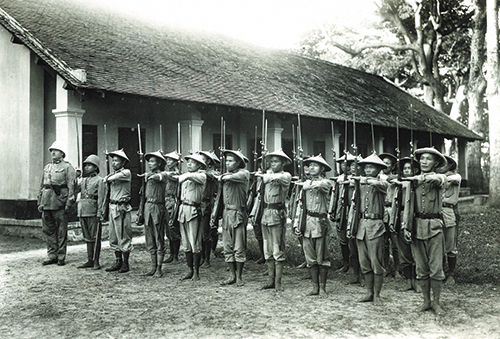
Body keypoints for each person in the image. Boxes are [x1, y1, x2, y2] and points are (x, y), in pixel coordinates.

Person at [402, 147, 447, 315]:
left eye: (428, 159)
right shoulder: (412, 181)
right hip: (416, 226)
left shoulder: (439, 177)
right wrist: (406, 225)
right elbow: (408, 204)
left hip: (434, 227)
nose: (424, 162)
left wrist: (421, 177)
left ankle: (436, 302)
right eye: (422, 159)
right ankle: (426, 301)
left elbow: (439, 180)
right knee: (421, 267)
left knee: (436, 267)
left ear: (435, 163)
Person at [353, 153, 389, 306]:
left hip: (375, 224)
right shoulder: (360, 184)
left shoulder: (382, 182)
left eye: (371, 167)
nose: (368, 169)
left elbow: (383, 186)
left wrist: (366, 180)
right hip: (361, 224)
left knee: (376, 261)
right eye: (366, 167)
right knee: (364, 261)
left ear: (379, 169)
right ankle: (369, 292)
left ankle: (378, 294)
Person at [255, 150, 292, 291]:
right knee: (267, 250)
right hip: (265, 213)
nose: (273, 164)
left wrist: (264, 175)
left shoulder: (285, 175)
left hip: (277, 214)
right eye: (271, 161)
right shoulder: (268, 174)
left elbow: (271, 178)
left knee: (278, 249)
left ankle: (278, 282)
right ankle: (270, 280)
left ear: (282, 163)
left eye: (276, 161)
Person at [297, 155, 332, 295]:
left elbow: (323, 186)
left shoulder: (325, 182)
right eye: (309, 165)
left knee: (322, 256)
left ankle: (323, 287)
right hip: (307, 222)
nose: (311, 168)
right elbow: (299, 204)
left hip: (320, 223)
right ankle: (315, 287)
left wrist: (306, 185)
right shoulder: (305, 183)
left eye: (315, 165)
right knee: (310, 256)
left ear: (322, 168)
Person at [38, 141, 76, 266]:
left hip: (60, 202)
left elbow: (71, 186)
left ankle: (61, 256)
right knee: (48, 230)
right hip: (46, 202)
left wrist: (69, 203)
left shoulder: (67, 167)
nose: (53, 153)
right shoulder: (47, 167)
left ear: (62, 153)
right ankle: (52, 255)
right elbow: (42, 186)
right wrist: (40, 201)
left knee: (61, 230)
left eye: (56, 150)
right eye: (51, 151)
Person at [217, 150, 250, 286]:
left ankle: (240, 276)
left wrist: (221, 177)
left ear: (238, 163)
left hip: (238, 214)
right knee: (228, 245)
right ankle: (232, 275)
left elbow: (228, 178)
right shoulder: (227, 175)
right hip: (226, 213)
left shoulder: (243, 174)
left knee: (239, 245)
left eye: (231, 161)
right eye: (227, 160)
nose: (227, 163)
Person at [173, 153, 207, 281]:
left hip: (193, 210)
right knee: (186, 243)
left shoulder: (201, 176)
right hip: (183, 209)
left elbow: (189, 177)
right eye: (188, 162)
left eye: (192, 162)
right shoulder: (186, 176)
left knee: (195, 242)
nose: (189, 164)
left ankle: (197, 272)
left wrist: (181, 176)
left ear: (199, 165)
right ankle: (190, 270)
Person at [388, 157, 420, 291]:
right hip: (400, 215)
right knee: (403, 250)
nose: (407, 171)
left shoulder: (418, 182)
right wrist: (392, 220)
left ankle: (418, 281)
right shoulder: (398, 184)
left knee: (415, 249)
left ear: (416, 170)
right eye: (405, 168)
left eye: (410, 168)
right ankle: (408, 280)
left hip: (415, 216)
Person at [103, 149, 133, 273]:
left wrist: (108, 177)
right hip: (112, 206)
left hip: (122, 207)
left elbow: (108, 179)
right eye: (113, 160)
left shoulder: (126, 172)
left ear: (123, 162)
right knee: (113, 236)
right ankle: (118, 261)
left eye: (116, 161)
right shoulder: (113, 174)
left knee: (123, 235)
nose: (114, 163)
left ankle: (125, 263)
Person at [141, 150, 167, 277]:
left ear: (159, 163)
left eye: (152, 161)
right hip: (148, 208)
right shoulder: (147, 176)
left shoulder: (162, 175)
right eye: (149, 162)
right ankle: (153, 266)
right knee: (149, 239)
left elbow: (160, 177)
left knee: (159, 238)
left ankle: (159, 268)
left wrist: (151, 176)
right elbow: (143, 197)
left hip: (158, 207)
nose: (150, 164)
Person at [76, 154, 105, 270]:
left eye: (90, 165)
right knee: (87, 237)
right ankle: (90, 260)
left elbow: (101, 198)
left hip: (93, 211)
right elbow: (73, 189)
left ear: (96, 167)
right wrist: (75, 177)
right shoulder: (83, 180)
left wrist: (100, 213)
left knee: (95, 237)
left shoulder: (100, 181)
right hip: (83, 210)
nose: (87, 167)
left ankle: (96, 261)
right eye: (86, 165)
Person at [441, 155, 461, 285]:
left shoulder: (455, 176)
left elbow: (453, 179)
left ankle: (451, 274)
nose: (441, 167)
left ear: (450, 166)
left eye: (444, 164)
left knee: (450, 244)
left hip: (449, 211)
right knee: (438, 243)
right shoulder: (436, 177)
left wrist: (440, 176)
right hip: (436, 212)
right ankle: (440, 271)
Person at [379, 152, 399, 279]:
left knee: (395, 242)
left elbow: (393, 179)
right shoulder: (379, 176)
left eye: (388, 163)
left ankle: (397, 269)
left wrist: (393, 177)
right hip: (382, 210)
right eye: (384, 163)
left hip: (393, 209)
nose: (386, 165)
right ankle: (385, 267)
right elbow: (383, 179)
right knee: (384, 242)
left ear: (392, 166)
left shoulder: (396, 177)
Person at [199, 151, 220, 267]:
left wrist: (204, 172)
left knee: (208, 231)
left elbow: (212, 176)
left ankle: (207, 257)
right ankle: (202, 255)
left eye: (203, 159)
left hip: (209, 205)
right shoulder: (199, 172)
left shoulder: (212, 173)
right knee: (201, 232)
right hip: (199, 204)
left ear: (208, 161)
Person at [162, 151, 182, 264]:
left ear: (175, 162)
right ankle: (171, 254)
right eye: (167, 160)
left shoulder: (176, 173)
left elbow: (174, 178)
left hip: (173, 202)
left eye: (170, 160)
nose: (168, 162)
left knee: (173, 228)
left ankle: (175, 255)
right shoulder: (169, 173)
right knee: (168, 230)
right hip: (166, 201)